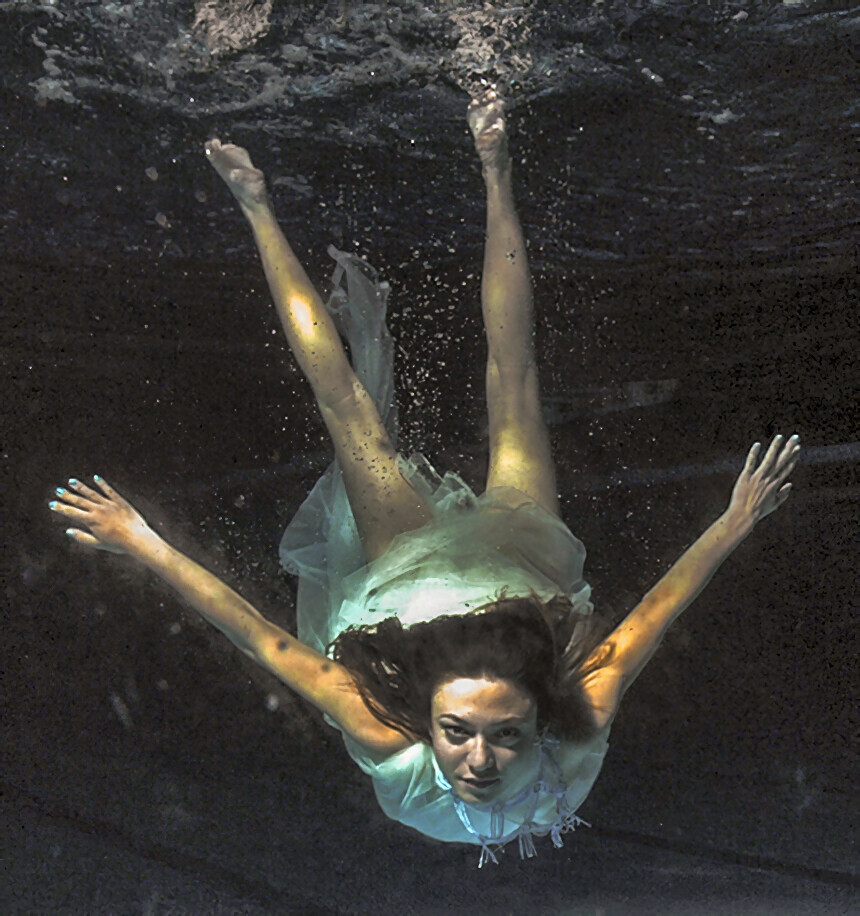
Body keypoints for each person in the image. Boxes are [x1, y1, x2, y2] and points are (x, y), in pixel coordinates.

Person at [49, 89, 800, 866]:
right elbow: (658, 611)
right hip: (520, 576)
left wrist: (142, 541)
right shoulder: (583, 717)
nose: (480, 761)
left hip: (407, 598)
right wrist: (734, 520)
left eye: (495, 735)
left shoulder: (385, 733)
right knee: (513, 383)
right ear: (545, 716)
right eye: (472, 733)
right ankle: (495, 167)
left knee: (350, 408)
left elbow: (260, 639)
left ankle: (256, 207)